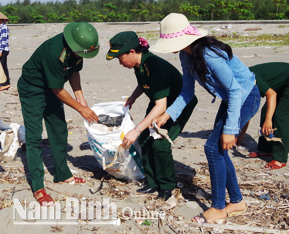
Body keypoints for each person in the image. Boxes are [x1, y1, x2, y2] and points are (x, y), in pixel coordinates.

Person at [151, 13, 260, 223]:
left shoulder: (209, 55)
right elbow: (186, 92)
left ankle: (218, 206)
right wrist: (168, 114)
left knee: (212, 148)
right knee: (217, 149)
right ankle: (236, 201)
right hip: (231, 98)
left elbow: (236, 91)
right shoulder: (186, 55)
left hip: (245, 96)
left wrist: (230, 130)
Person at [107, 31, 198, 200]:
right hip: (159, 100)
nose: (120, 62)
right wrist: (133, 98)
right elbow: (144, 83)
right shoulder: (139, 65)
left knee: (160, 144)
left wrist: (135, 130)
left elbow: (161, 107)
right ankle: (152, 182)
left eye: (120, 58)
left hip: (177, 105)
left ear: (132, 52)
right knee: (145, 140)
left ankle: (168, 186)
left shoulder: (155, 66)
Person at [18, 22, 99, 206]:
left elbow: (74, 72)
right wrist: (81, 109)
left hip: (54, 86)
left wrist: (81, 98)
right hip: (33, 89)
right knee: (34, 136)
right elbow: (57, 90)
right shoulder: (54, 53)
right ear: (73, 45)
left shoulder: (79, 49)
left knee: (59, 129)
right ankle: (38, 186)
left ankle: (62, 174)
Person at [236, 62, 289, 169]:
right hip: (282, 83)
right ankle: (266, 150)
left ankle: (280, 158)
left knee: (281, 117)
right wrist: (240, 138)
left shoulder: (250, 77)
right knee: (266, 110)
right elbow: (248, 111)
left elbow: (272, 94)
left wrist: (268, 120)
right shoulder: (242, 82)